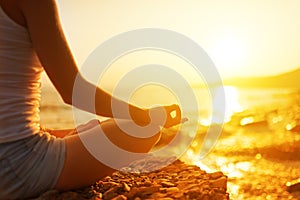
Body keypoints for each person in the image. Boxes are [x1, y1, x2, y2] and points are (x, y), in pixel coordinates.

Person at [0, 0, 183, 199]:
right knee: (144, 130)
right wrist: (148, 114)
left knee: (86, 130)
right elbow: (74, 91)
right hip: (16, 167)